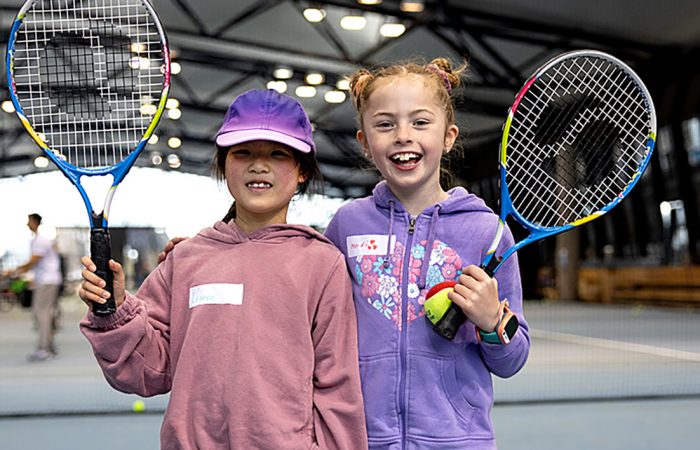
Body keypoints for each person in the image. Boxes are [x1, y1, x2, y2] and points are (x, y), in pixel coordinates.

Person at [78, 89, 368, 449]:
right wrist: (115, 312)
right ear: (223, 165)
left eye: (277, 154)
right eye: (242, 152)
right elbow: (146, 371)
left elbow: (338, 388)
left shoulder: (322, 264)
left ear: (302, 173)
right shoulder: (186, 260)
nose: (258, 165)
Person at [322, 58, 531, 449]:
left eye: (420, 122)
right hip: (360, 439)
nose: (403, 135)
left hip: (457, 440)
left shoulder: (486, 232)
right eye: (385, 124)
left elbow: (512, 361)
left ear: (449, 136)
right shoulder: (346, 225)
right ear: (366, 142)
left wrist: (491, 322)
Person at [5, 213, 62, 362]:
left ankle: (45, 348)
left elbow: (32, 262)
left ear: (35, 222)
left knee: (41, 313)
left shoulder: (40, 241)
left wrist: (15, 271)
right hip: (47, 280)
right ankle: (48, 345)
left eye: (29, 221)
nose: (27, 224)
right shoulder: (39, 240)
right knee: (45, 313)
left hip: (47, 281)